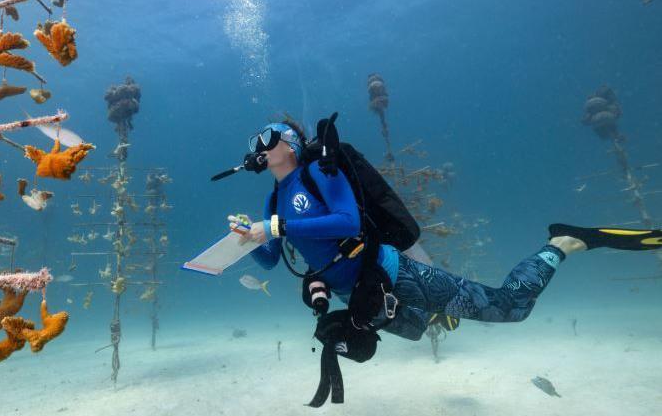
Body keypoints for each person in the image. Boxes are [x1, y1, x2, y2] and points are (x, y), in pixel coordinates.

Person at [231, 117, 662, 405]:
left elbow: (345, 220)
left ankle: (564, 243)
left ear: (289, 143)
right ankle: (442, 315)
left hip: (390, 272)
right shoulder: (274, 198)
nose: (258, 147)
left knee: (509, 307)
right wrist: (249, 238)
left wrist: (276, 228)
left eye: (266, 137)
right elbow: (271, 261)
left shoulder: (319, 174)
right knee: (417, 330)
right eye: (255, 144)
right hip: (365, 295)